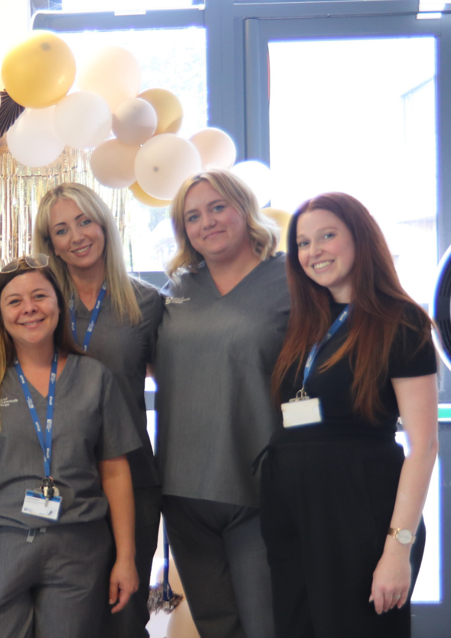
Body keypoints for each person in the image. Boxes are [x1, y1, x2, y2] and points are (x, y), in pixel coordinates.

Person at [0, 255, 141, 638]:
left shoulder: (95, 378)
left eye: (40, 296)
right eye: (14, 301)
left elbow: (114, 471)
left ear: (59, 305)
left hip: (77, 545)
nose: (29, 308)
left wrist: (126, 557)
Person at [261, 193, 437, 637]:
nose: (313, 251)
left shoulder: (401, 322)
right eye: (303, 243)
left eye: (327, 236)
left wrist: (398, 548)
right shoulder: (305, 322)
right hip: (294, 512)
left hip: (358, 509)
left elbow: (424, 446)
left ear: (360, 237)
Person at [155, 168, 287, 638]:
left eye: (217, 208)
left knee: (267, 626)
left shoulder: (291, 280)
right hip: (183, 490)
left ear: (245, 208)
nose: (206, 222)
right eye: (192, 216)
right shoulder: (178, 289)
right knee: (216, 628)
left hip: (259, 486)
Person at [32, 182, 163, 636]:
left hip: (133, 475)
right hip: (60, 478)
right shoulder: (38, 302)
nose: (77, 237)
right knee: (69, 617)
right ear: (50, 245)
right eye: (61, 230)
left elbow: (176, 381)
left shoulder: (146, 302)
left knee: (126, 614)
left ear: (104, 225)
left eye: (84, 221)